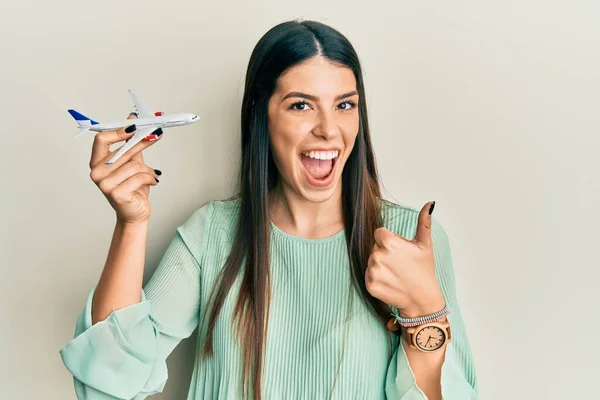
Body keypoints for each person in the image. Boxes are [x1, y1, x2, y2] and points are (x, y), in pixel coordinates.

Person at [59, 19, 478, 400]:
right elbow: (111, 384)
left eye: (345, 105)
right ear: (261, 115)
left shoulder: (410, 240)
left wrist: (425, 311)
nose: (329, 129)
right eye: (301, 105)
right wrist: (131, 222)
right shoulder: (211, 235)